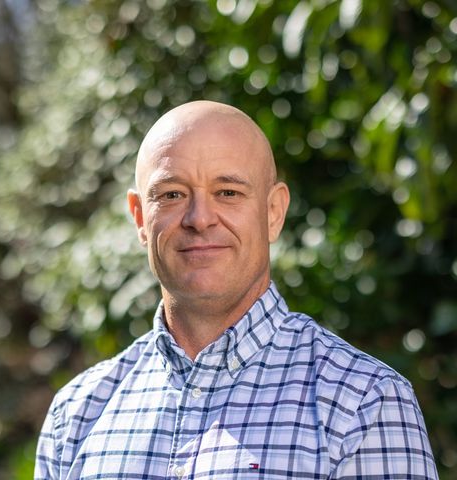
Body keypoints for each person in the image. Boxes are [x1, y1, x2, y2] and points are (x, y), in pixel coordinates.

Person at [35, 101, 438, 479]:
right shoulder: (76, 413)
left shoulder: (365, 403)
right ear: (140, 217)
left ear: (274, 212)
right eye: (172, 194)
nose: (199, 219)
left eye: (228, 192)